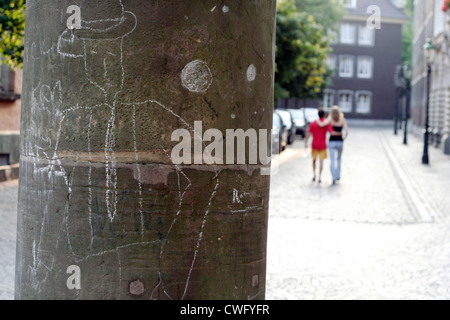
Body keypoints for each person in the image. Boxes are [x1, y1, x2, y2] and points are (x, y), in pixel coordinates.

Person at [317, 106, 349, 184]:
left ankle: (334, 177)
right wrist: (343, 138)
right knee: (338, 159)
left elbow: (321, 124)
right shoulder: (342, 120)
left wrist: (316, 121)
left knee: (332, 160)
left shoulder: (330, 120)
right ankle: (338, 175)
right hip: (340, 142)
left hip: (332, 142)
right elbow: (347, 132)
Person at [304, 108, 333, 183]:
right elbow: (331, 132)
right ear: (324, 115)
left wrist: (306, 142)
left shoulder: (313, 123)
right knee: (321, 161)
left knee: (314, 160)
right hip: (323, 145)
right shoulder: (326, 123)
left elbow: (309, 133)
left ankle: (314, 175)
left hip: (314, 144)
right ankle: (319, 176)